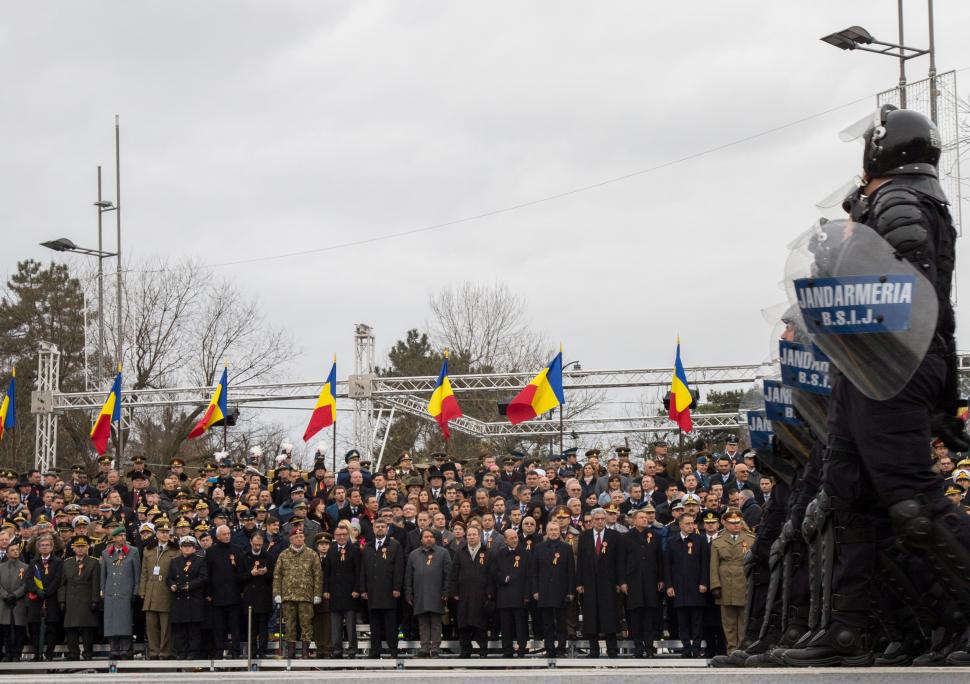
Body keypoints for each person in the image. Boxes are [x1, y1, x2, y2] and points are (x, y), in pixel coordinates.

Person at [785, 105, 970, 667]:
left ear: (884, 150)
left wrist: (838, 257)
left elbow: (908, 291)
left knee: (913, 503)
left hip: (888, 367)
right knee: (851, 504)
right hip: (869, 366)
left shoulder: (898, 200)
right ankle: (847, 630)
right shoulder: (895, 200)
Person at [575, 508, 623, 658]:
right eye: (597, 519)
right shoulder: (584, 536)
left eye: (603, 518)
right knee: (591, 617)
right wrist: (579, 582)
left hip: (609, 584)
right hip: (589, 584)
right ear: (592, 521)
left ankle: (612, 650)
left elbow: (619, 562)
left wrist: (619, 582)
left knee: (609, 617)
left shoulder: (614, 536)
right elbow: (581, 561)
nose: (600, 521)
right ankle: (594, 650)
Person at [709, 509, 754, 654]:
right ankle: (731, 649)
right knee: (728, 622)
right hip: (726, 584)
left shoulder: (750, 539)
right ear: (725, 524)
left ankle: (742, 648)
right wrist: (715, 585)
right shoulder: (718, 541)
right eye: (732, 523)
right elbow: (713, 566)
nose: (736, 526)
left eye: (738, 523)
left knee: (743, 620)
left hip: (744, 582)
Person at [274, 528, 323, 659]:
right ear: (291, 539)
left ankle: (305, 651)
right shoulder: (283, 555)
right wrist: (277, 593)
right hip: (288, 595)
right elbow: (277, 575)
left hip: (306, 595)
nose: (299, 539)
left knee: (306, 623)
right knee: (290, 624)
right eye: (296, 537)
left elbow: (318, 575)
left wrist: (317, 593)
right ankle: (291, 651)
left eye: (301, 536)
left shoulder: (312, 554)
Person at [664, 514, 708, 658]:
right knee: (682, 620)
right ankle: (686, 647)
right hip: (679, 587)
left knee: (696, 620)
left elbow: (705, 564)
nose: (691, 526)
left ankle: (696, 647)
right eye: (687, 523)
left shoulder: (700, 540)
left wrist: (703, 582)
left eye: (692, 523)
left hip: (696, 587)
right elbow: (668, 566)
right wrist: (669, 585)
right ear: (680, 525)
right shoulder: (672, 541)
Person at [360, 518, 404, 658]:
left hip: (389, 591)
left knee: (391, 625)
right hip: (372, 592)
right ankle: (375, 651)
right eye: (377, 526)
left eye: (382, 526)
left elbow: (399, 568)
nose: (380, 528)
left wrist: (397, 587)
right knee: (374, 625)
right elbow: (363, 570)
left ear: (387, 528)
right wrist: (363, 589)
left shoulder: (394, 545)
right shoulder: (368, 546)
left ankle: (393, 650)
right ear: (373, 528)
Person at [530, 520, 575, 658]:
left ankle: (561, 649)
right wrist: (535, 590)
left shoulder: (566, 547)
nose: (554, 532)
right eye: (551, 530)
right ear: (547, 532)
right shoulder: (539, 547)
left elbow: (571, 571)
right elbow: (534, 571)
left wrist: (570, 591)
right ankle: (549, 650)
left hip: (561, 591)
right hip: (545, 591)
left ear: (559, 531)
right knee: (547, 623)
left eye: (556, 530)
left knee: (562, 622)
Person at [405, 528, 451, 657]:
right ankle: (424, 648)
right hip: (419, 593)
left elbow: (448, 574)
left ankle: (435, 648)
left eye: (431, 536)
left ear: (435, 539)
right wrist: (408, 593)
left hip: (437, 593)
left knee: (436, 622)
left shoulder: (443, 553)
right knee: (423, 622)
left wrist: (446, 592)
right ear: (421, 539)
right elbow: (408, 576)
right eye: (426, 537)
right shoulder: (413, 554)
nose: (428, 539)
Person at [624, 508, 664, 657]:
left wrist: (661, 578)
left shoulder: (655, 536)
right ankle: (638, 647)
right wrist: (622, 582)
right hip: (633, 581)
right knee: (635, 615)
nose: (645, 519)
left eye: (646, 517)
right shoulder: (626, 537)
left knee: (649, 615)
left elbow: (660, 559)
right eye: (641, 517)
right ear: (633, 521)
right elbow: (622, 561)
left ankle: (649, 646)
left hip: (650, 581)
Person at [448, 525, 491, 658]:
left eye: (474, 534)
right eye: (469, 535)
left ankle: (483, 650)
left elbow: (492, 574)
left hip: (481, 595)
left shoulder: (487, 552)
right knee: (464, 624)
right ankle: (465, 650)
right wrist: (454, 592)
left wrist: (489, 593)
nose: (471, 537)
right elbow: (453, 574)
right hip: (463, 595)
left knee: (480, 624)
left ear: (479, 536)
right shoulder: (460, 552)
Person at [139, 520, 179, 660]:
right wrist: (142, 591)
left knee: (166, 624)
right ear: (156, 533)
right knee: (151, 624)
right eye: (162, 532)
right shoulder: (148, 549)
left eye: (167, 532)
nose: (165, 534)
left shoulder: (175, 550)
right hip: (151, 589)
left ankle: (165, 651)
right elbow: (144, 572)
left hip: (166, 589)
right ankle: (153, 651)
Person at [101, 524, 141, 660]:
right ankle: (114, 649)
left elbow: (137, 573)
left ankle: (125, 649)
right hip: (111, 593)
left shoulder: (133, 551)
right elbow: (103, 575)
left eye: (124, 535)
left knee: (125, 622)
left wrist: (135, 591)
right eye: (119, 535)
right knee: (111, 622)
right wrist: (103, 591)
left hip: (126, 592)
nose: (123, 538)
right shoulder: (106, 553)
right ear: (114, 538)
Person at [206, 524, 244, 658]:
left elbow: (241, 573)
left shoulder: (237, 550)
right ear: (217, 536)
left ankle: (236, 653)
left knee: (235, 627)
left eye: (228, 533)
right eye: (224, 534)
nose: (227, 536)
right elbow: (208, 574)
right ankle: (218, 653)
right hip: (217, 597)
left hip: (234, 596)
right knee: (218, 628)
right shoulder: (211, 552)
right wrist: (209, 593)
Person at [167, 535, 208, 660]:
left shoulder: (200, 560)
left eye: (189, 546)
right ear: (180, 548)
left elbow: (203, 577)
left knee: (193, 630)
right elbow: (169, 577)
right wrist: (172, 585)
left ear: (194, 548)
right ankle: (181, 652)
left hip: (193, 598)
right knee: (180, 630)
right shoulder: (174, 561)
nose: (187, 549)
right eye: (185, 546)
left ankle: (193, 652)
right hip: (179, 599)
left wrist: (190, 585)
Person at [324, 524, 361, 658]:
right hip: (334, 593)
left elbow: (359, 572)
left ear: (348, 535)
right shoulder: (331, 550)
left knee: (351, 626)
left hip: (350, 593)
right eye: (339, 534)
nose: (342, 537)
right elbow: (326, 572)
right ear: (335, 536)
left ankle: (352, 650)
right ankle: (337, 650)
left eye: (344, 534)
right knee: (335, 626)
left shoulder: (355, 549)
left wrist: (357, 588)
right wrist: (326, 589)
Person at [61, 536, 100, 660]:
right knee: (71, 628)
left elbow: (96, 583)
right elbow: (62, 584)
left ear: (88, 547)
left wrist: (95, 600)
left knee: (87, 628)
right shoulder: (67, 562)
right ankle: (73, 653)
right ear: (73, 547)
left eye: (83, 546)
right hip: (70, 599)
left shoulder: (94, 562)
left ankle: (88, 653)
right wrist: (61, 600)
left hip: (86, 599)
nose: (80, 549)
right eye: (78, 546)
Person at [492, 528, 530, 657]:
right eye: (512, 538)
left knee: (521, 624)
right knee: (506, 625)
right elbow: (494, 572)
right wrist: (504, 578)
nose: (515, 540)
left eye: (516, 538)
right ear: (505, 540)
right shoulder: (499, 554)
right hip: (504, 595)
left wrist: (526, 595)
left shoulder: (525, 553)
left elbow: (529, 576)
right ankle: (507, 650)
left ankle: (522, 649)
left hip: (520, 596)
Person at [27, 534, 63, 661]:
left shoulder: (58, 562)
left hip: (51, 599)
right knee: (36, 628)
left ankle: (49, 653)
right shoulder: (33, 562)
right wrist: (37, 590)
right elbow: (29, 580)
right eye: (42, 545)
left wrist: (47, 592)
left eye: (47, 545)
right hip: (36, 600)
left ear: (52, 547)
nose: (45, 547)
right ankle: (37, 653)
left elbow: (58, 579)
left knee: (51, 627)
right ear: (38, 548)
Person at [241, 532, 274, 658]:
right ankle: (252, 651)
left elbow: (273, 575)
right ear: (250, 542)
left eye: (259, 545)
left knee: (263, 627)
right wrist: (251, 574)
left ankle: (262, 650)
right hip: (250, 596)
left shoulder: (268, 556)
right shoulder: (244, 556)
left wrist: (265, 572)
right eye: (255, 544)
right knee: (251, 627)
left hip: (264, 596)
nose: (257, 547)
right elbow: (239, 577)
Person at [0, 540, 28, 662]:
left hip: (19, 602)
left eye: (17, 550)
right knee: (5, 630)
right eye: (12, 550)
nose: (15, 552)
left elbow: (26, 584)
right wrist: (5, 595)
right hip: (3, 602)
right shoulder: (0, 567)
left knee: (18, 630)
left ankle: (17, 654)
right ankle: (8, 653)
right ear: (6, 553)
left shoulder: (25, 567)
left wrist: (15, 595)